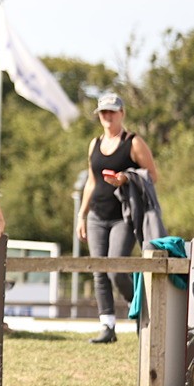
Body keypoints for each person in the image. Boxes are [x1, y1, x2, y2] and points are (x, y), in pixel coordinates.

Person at [75, 93, 161, 344]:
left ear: (122, 113)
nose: (107, 116)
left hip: (123, 215)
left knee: (115, 267)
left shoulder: (133, 142)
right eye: (103, 112)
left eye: (112, 111)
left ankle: (140, 310)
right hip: (97, 215)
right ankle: (107, 326)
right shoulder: (94, 144)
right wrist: (82, 215)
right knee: (98, 269)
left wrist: (126, 178)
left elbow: (152, 176)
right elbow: (91, 182)